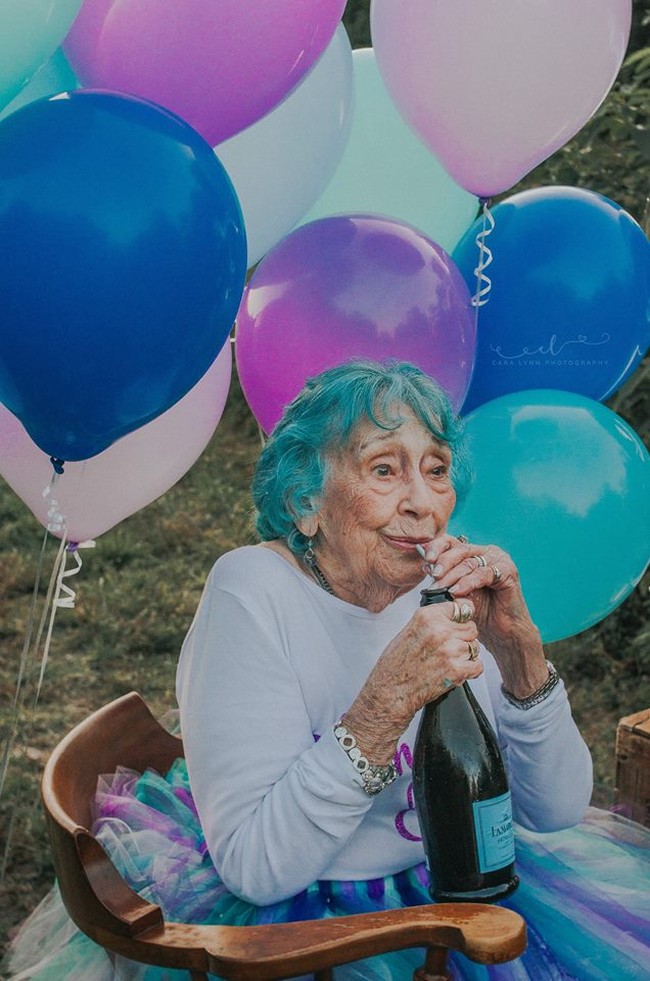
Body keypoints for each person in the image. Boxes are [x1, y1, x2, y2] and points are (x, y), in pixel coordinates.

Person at [7, 360, 649, 980]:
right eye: (383, 470)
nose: (423, 503)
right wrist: (387, 702)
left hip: (463, 887)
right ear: (305, 500)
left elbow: (556, 810)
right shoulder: (252, 593)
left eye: (437, 469)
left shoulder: (443, 592)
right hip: (310, 924)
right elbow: (257, 869)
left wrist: (519, 655)